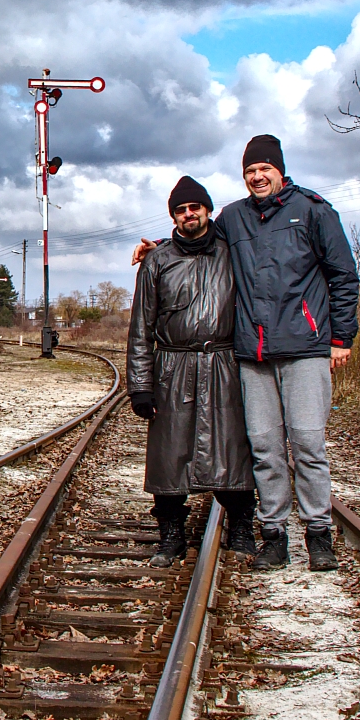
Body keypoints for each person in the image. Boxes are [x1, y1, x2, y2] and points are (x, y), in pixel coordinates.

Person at [133, 135, 360, 572]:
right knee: (264, 448)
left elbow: (343, 276)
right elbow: (194, 241)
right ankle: (273, 535)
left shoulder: (314, 211)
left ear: (279, 171)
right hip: (254, 355)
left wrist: (341, 338)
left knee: (308, 443)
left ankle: (319, 535)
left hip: (304, 346)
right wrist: (159, 246)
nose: (257, 177)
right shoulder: (235, 217)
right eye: (249, 171)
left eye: (264, 170)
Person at [126, 176, 258, 566]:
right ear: (174, 217)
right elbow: (140, 328)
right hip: (173, 367)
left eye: (194, 208)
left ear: (207, 210)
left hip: (224, 364)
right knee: (169, 455)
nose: (188, 216)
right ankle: (170, 536)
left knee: (233, 450)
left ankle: (241, 529)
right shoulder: (157, 262)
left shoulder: (233, 252)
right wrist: (140, 386)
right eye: (180, 211)